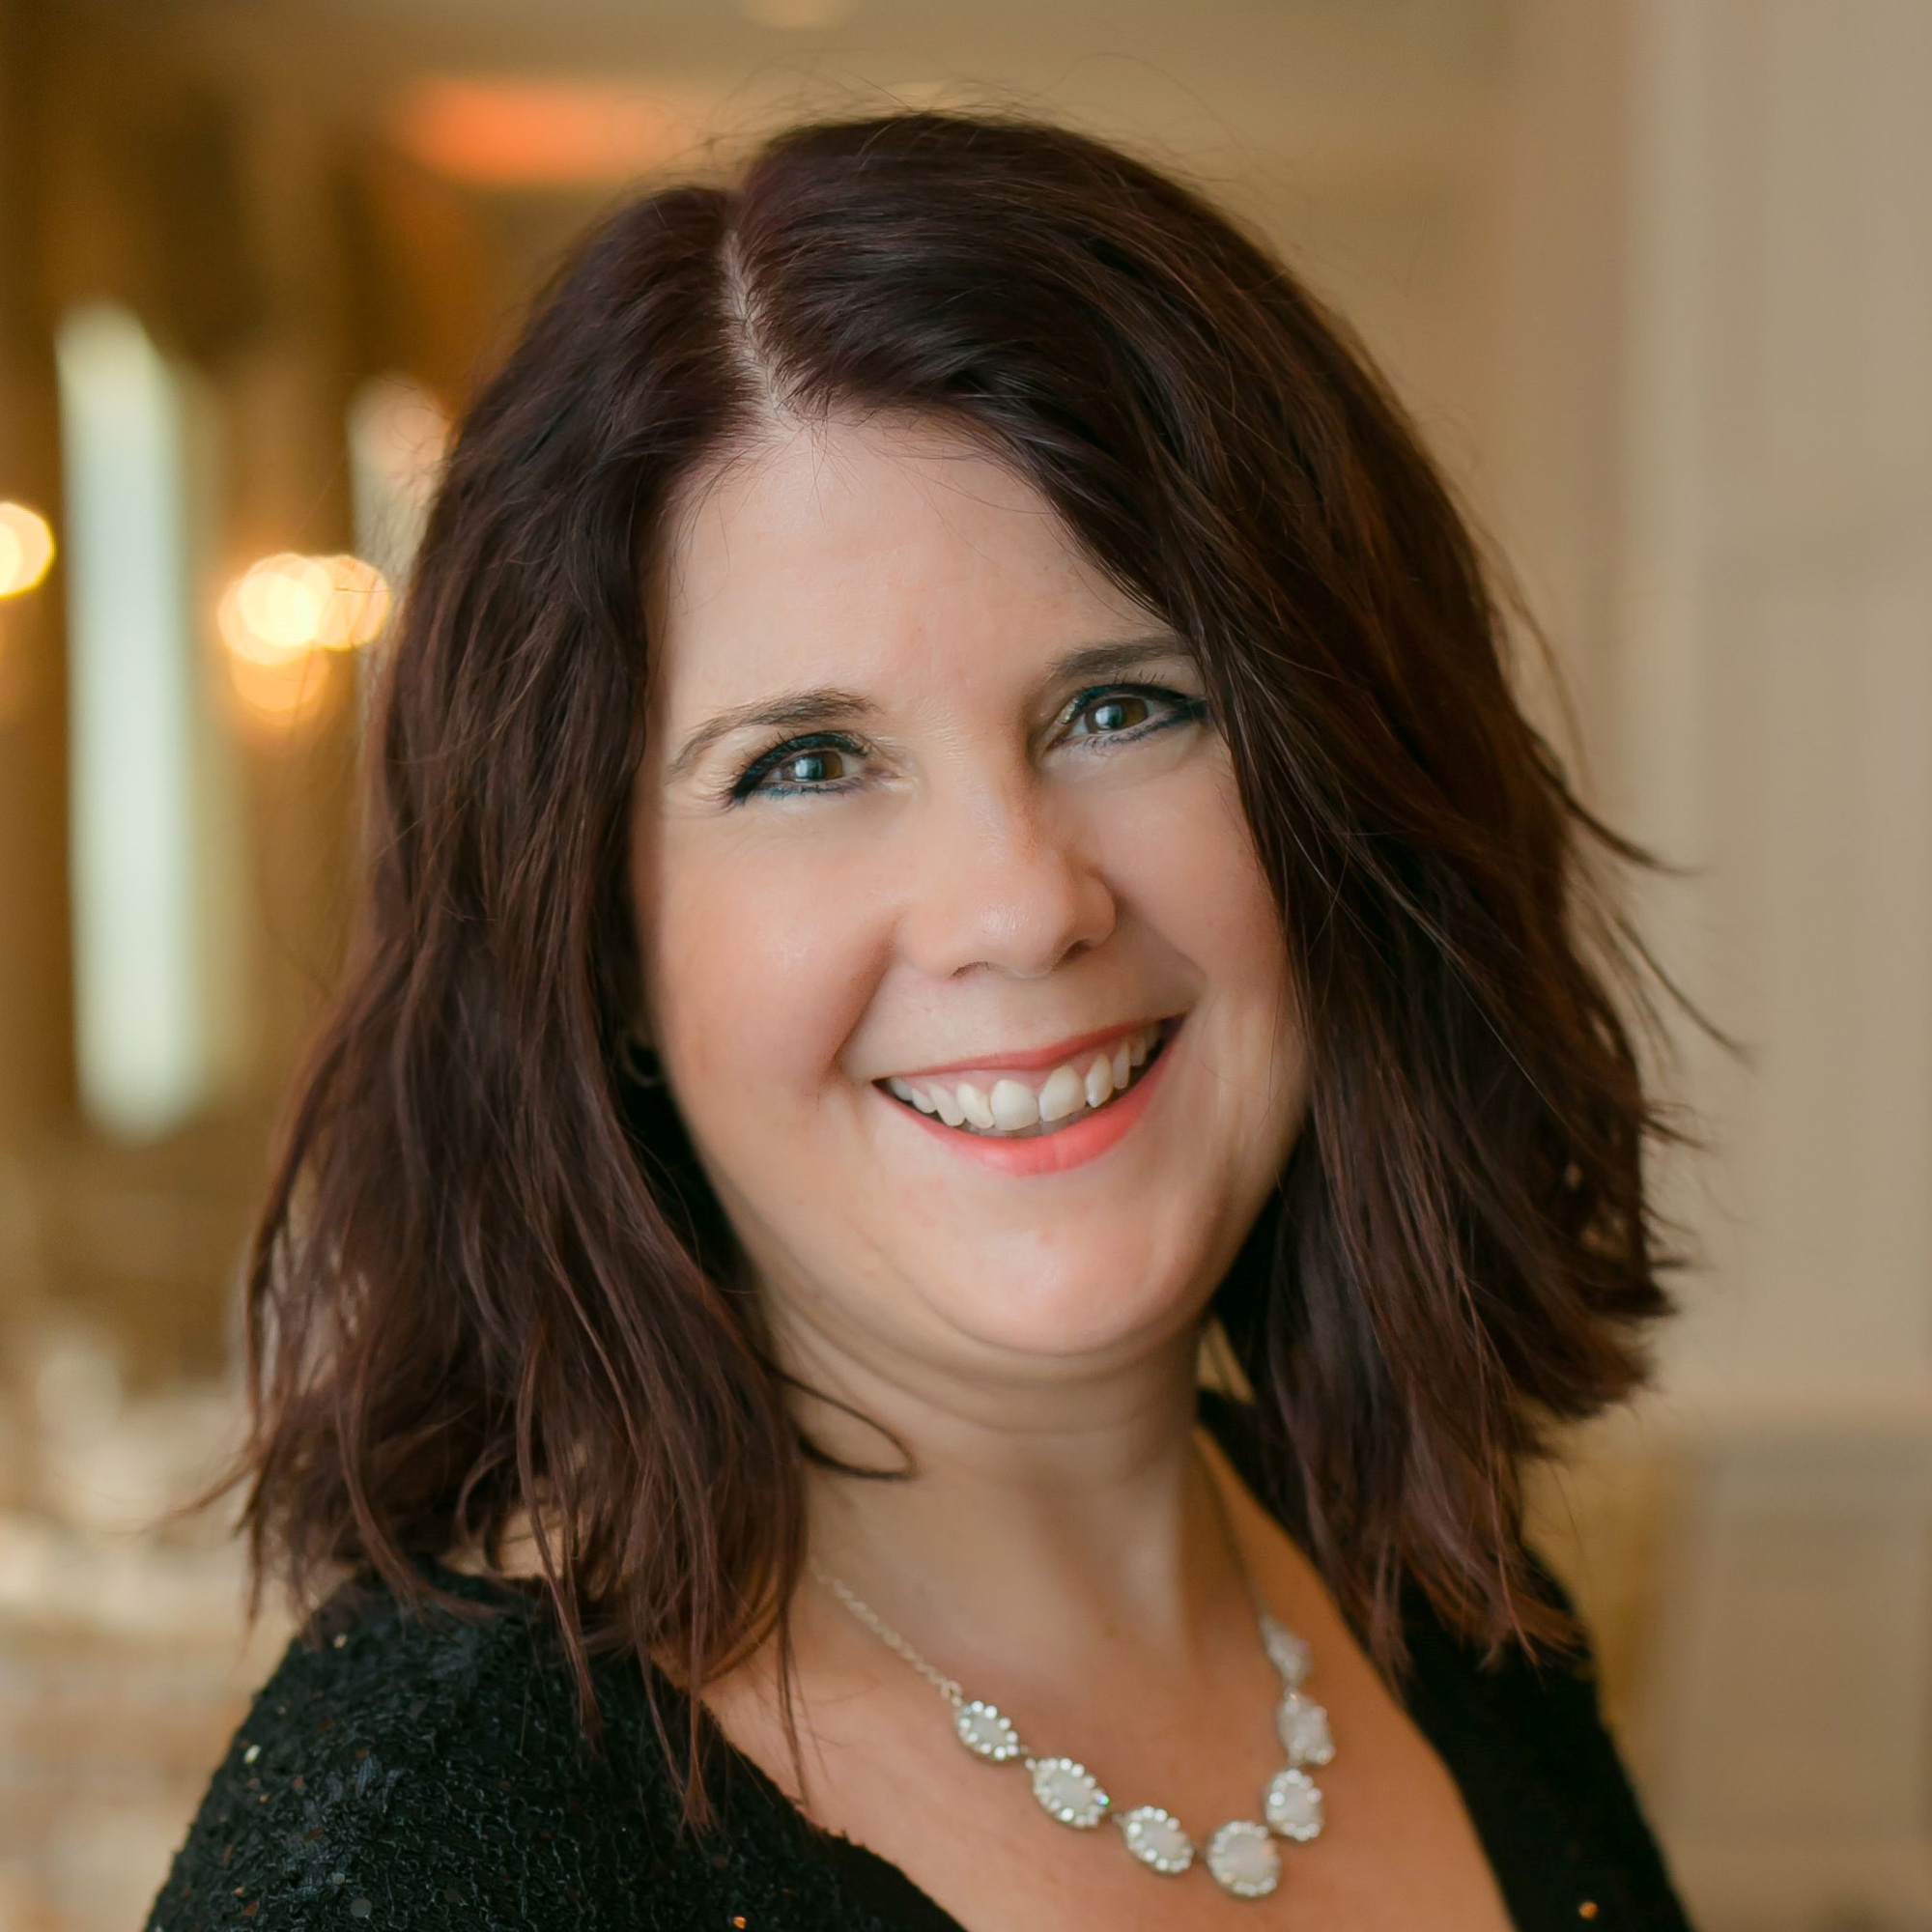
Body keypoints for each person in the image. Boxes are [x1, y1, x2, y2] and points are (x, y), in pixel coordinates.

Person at [149, 112, 1694, 1931]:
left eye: (1127, 708)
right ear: (600, 954)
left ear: (1342, 794)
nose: (1023, 901)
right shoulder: (420, 1861)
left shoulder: (1448, 1618)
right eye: (805, 762)